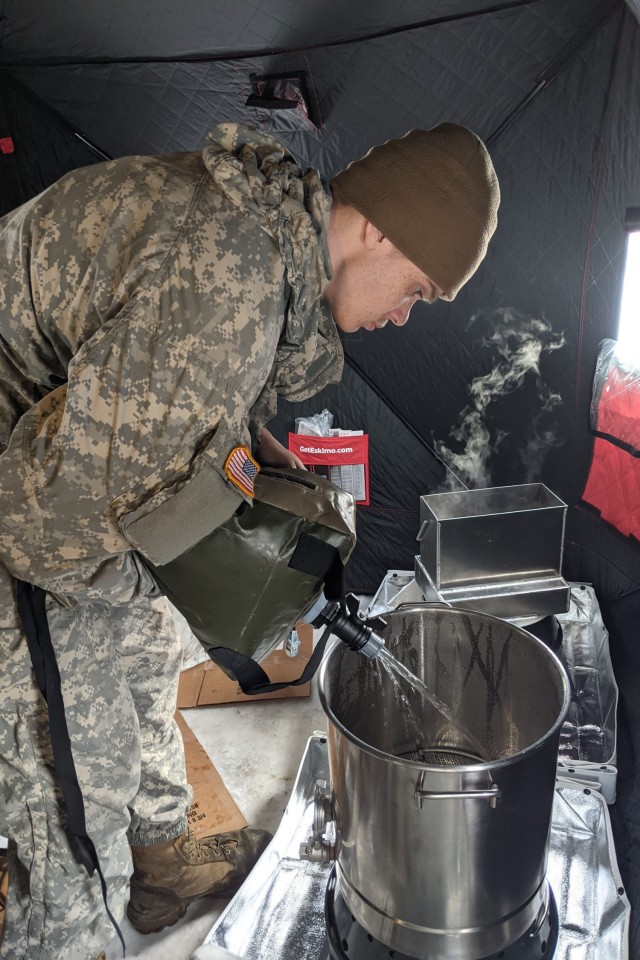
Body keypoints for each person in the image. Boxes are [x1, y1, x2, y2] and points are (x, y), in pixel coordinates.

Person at [0, 120, 499, 959]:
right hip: (20, 488)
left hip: (61, 452)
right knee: (73, 772)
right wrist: (170, 573)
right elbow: (36, 530)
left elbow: (181, 411)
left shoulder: (270, 250)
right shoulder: (227, 280)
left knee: (150, 648)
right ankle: (71, 931)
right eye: (414, 287)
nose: (407, 316)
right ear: (377, 228)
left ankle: (163, 862)